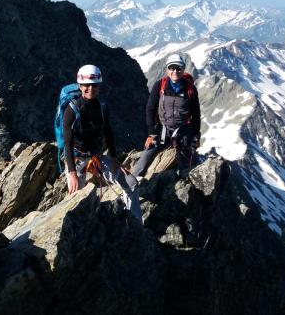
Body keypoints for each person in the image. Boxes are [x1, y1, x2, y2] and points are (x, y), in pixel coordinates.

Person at [63, 64, 142, 222]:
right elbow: (67, 142)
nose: (90, 89)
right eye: (86, 85)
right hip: (77, 158)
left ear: (99, 86)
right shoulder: (72, 109)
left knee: (132, 183)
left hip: (96, 157)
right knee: (76, 199)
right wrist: (72, 173)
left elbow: (108, 132)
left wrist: (113, 158)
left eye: (94, 85)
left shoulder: (102, 107)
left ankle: (136, 226)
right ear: (80, 86)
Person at [132, 54, 201, 177]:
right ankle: (132, 183)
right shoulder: (160, 85)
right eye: (171, 68)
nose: (175, 71)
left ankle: (184, 185)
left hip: (183, 132)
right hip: (162, 131)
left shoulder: (190, 89)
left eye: (178, 68)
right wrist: (151, 133)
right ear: (167, 69)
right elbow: (150, 109)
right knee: (146, 157)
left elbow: (196, 114)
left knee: (188, 166)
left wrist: (196, 136)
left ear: (183, 69)